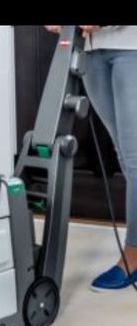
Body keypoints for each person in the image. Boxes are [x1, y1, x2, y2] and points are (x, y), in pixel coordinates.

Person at [45, 25, 137, 291]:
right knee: (124, 152)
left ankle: (133, 252)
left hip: (131, 45)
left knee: (134, 156)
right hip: (90, 48)